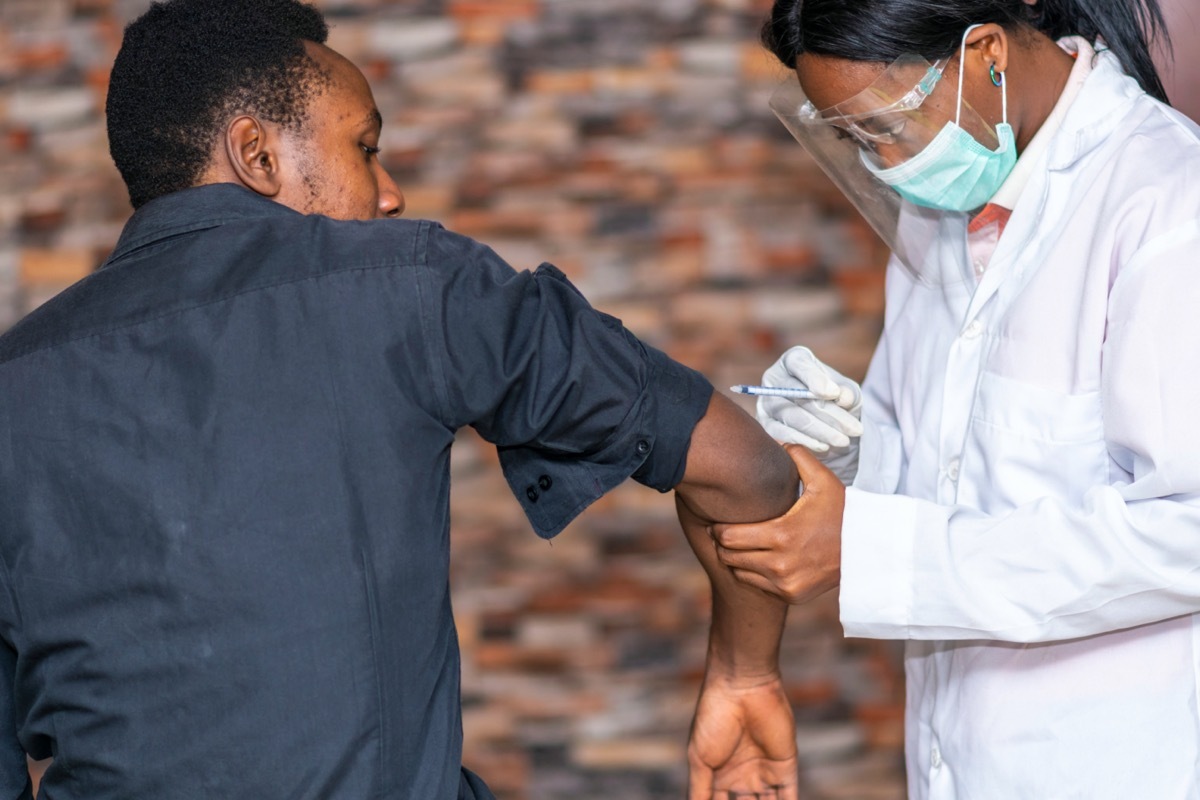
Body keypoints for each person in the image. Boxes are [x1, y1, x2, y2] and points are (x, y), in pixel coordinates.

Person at [0, 1, 828, 796]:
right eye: (365, 148)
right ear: (257, 156)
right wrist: (743, 675)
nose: (389, 192)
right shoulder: (413, 287)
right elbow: (746, 471)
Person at [712, 0, 1200, 797]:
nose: (884, 164)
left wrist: (873, 553)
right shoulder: (940, 208)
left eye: (884, 128)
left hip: (1116, 765)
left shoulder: (1169, 206)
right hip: (955, 758)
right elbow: (955, 474)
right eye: (854, 140)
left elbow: (1185, 530)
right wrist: (858, 451)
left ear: (986, 52)